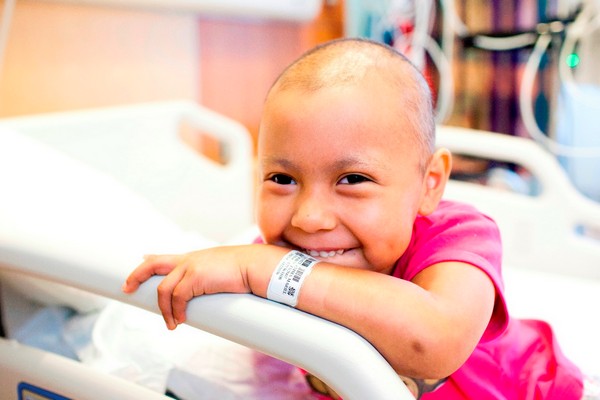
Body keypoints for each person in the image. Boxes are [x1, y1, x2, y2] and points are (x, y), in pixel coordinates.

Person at [122, 38, 583, 399]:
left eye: (352, 178)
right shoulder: (276, 257)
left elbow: (435, 340)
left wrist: (262, 269)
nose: (310, 217)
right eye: (282, 178)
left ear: (430, 185)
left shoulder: (457, 236)